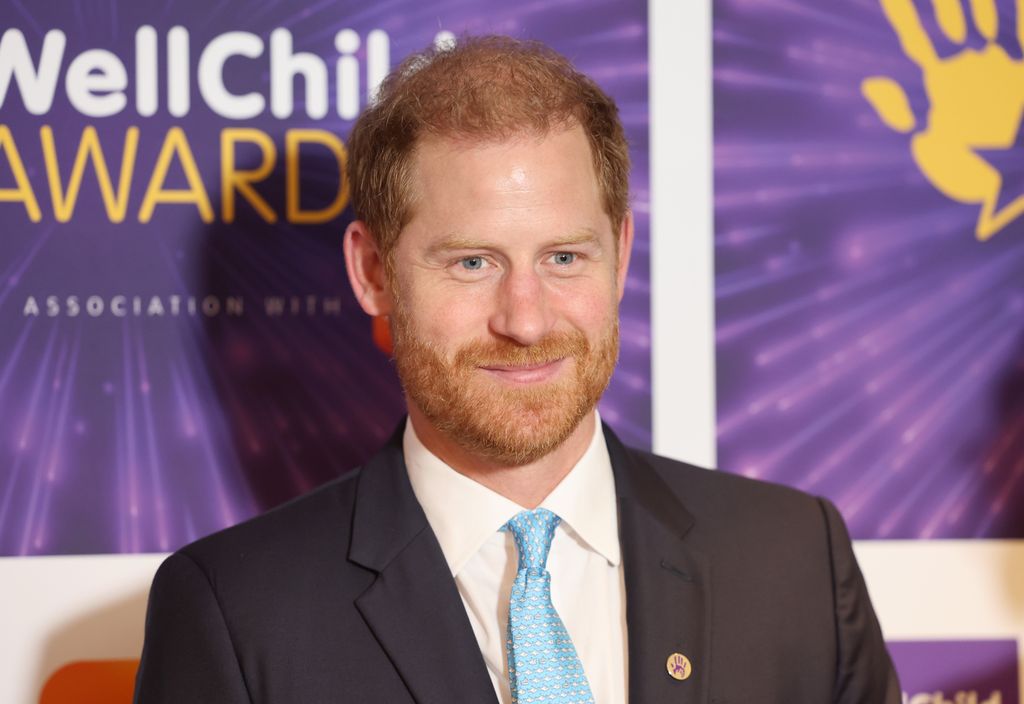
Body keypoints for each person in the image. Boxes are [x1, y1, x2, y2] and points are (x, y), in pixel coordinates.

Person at [134, 36, 900, 703]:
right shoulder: (236, 612)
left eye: (564, 257)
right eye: (472, 262)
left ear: (622, 254)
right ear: (372, 273)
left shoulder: (794, 559)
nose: (525, 319)